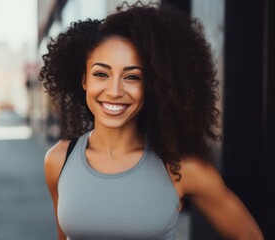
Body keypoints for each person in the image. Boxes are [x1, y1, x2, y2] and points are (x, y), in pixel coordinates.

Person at [39, 1, 264, 239]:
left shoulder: (179, 167)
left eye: (132, 77)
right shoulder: (58, 161)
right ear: (84, 80)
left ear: (152, 85)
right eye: (101, 74)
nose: (114, 91)